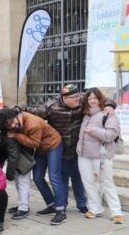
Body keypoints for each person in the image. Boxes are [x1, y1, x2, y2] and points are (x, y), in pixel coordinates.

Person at [23, 84, 116, 214]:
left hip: (78, 148)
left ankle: (81, 204)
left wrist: (110, 105)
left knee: (78, 177)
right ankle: (62, 204)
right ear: (64, 98)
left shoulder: (82, 100)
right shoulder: (52, 106)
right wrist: (18, 108)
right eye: (73, 97)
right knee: (62, 178)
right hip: (60, 148)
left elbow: (103, 99)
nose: (77, 99)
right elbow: (34, 112)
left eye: (78, 96)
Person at [0, 106, 66, 225]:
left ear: (16, 116)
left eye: (13, 123)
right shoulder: (15, 120)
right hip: (41, 148)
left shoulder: (32, 124)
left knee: (54, 177)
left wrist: (16, 136)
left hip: (53, 145)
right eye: (8, 126)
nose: (12, 127)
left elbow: (34, 143)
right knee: (37, 177)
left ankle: (61, 211)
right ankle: (52, 205)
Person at [77, 88, 123, 224]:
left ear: (100, 99)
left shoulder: (108, 114)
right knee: (88, 182)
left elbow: (111, 135)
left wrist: (94, 131)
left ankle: (116, 211)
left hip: (101, 155)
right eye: (89, 99)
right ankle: (95, 208)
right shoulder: (86, 114)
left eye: (95, 98)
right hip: (83, 154)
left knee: (107, 182)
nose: (92, 101)